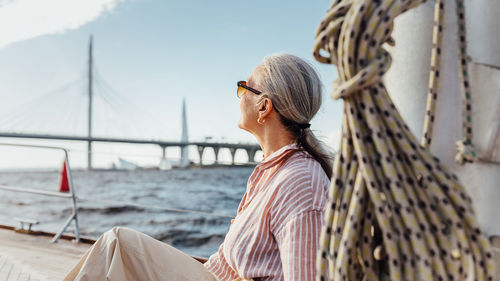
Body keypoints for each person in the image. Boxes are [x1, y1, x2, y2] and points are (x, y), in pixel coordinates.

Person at [63, 53, 332, 281]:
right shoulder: (272, 170)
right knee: (118, 247)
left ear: (264, 107)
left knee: (117, 244)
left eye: (243, 87)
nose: (238, 96)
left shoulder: (301, 181)